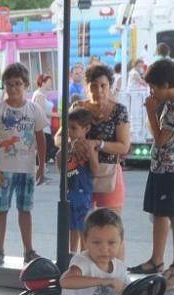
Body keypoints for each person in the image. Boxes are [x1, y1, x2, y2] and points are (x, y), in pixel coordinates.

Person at [130, 59, 174, 290]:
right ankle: (156, 259)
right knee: (159, 213)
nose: (152, 92)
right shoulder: (171, 103)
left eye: (154, 87)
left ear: (166, 84)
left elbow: (159, 139)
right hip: (161, 167)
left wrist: (150, 112)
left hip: (172, 168)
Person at [0, 63, 48, 266]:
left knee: (25, 209)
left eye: (18, 84)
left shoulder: (34, 109)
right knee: (1, 209)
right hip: (4, 169)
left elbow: (41, 138)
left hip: (27, 168)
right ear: (4, 86)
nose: (13, 88)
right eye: (9, 84)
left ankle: (28, 251)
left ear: (26, 85)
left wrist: (42, 165)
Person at [68, 64, 131, 221]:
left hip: (109, 174)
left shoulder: (119, 111)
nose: (99, 91)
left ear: (109, 86)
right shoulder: (78, 108)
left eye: (103, 85)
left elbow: (124, 146)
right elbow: (59, 138)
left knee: (112, 227)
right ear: (86, 87)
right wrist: (72, 144)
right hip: (81, 175)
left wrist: (98, 144)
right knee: (82, 227)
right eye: (94, 86)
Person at [60, 109, 99, 254]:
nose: (70, 131)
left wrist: (90, 154)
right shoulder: (66, 147)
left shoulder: (89, 147)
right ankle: (72, 252)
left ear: (86, 129)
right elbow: (61, 169)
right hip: (69, 191)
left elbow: (95, 170)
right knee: (72, 225)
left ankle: (84, 252)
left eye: (74, 128)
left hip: (83, 191)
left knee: (82, 224)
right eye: (68, 128)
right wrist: (66, 152)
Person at [32, 74, 58, 163]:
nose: (51, 84)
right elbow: (41, 111)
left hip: (45, 127)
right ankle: (38, 170)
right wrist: (57, 114)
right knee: (48, 150)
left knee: (46, 151)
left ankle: (40, 170)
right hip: (42, 128)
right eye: (49, 82)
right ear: (43, 83)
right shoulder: (39, 95)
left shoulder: (42, 94)